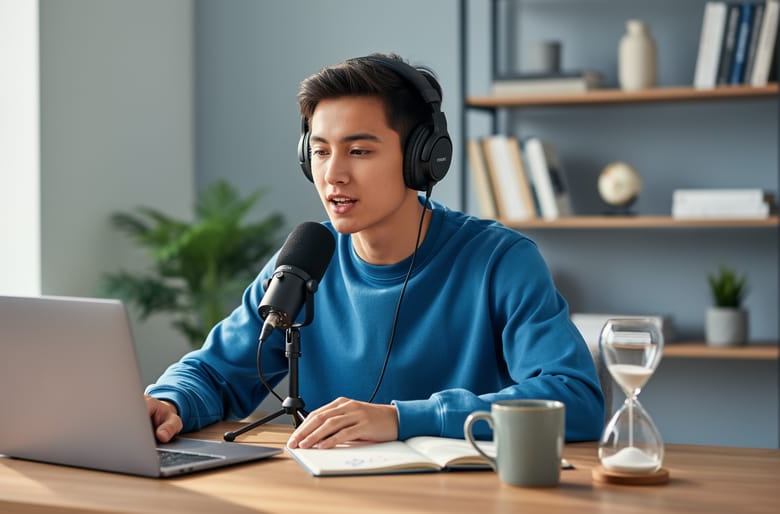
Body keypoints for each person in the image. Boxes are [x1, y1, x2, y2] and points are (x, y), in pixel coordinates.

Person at [145, 53, 604, 449]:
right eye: (321, 152)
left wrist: (401, 419)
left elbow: (575, 401)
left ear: (421, 159)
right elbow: (216, 372)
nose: (334, 175)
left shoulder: (500, 260)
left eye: (359, 152)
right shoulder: (306, 260)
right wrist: (170, 402)